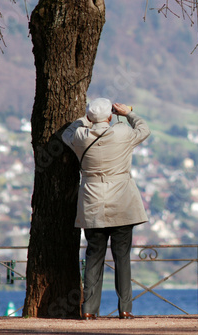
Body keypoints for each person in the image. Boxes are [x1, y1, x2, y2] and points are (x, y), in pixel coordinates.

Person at [62, 98, 151, 320]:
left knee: (93, 256)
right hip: (122, 201)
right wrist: (128, 112)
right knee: (122, 257)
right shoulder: (121, 132)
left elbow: (66, 134)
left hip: (92, 201)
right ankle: (125, 308)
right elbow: (144, 129)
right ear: (111, 116)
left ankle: (89, 309)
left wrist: (85, 118)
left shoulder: (81, 136)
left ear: (91, 117)